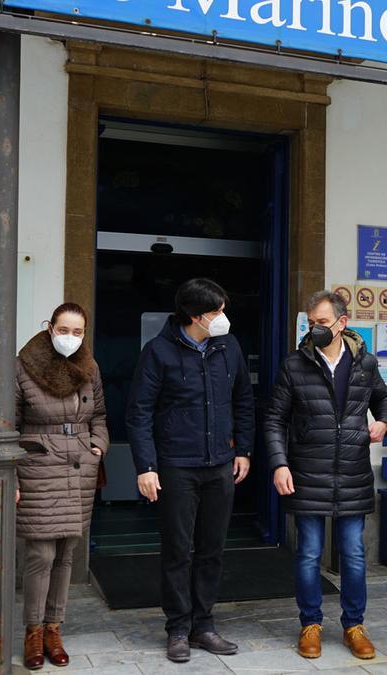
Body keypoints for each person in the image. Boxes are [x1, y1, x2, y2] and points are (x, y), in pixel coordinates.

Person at [126, 278, 255, 663]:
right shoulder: (158, 352)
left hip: (220, 464)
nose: (223, 318)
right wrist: (146, 467)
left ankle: (205, 625)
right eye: (216, 312)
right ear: (195, 317)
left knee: (212, 549)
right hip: (176, 466)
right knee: (178, 550)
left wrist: (244, 450)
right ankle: (178, 628)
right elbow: (139, 413)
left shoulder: (227, 346)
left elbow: (244, 400)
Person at [264, 290, 387, 661]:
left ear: (342, 322)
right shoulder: (295, 365)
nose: (315, 329)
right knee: (308, 554)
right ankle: (310, 624)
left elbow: (384, 398)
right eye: (311, 323)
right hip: (306, 470)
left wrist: (383, 420)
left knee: (353, 554)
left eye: (322, 322)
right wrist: (279, 463)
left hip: (352, 472)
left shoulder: (365, 363)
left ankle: (354, 625)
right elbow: (274, 418)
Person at [14, 302, 109, 670]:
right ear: (50, 327)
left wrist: (97, 446)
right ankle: (33, 631)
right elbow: (10, 421)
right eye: (64, 330)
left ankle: (55, 628)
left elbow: (99, 412)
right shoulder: (23, 365)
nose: (70, 338)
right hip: (39, 466)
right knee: (41, 554)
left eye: (78, 332)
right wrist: (15, 476)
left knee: (67, 552)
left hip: (79, 467)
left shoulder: (90, 366)